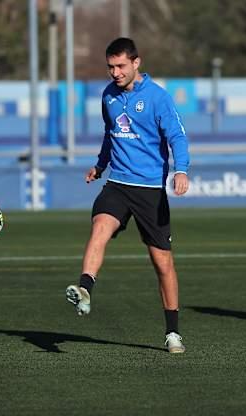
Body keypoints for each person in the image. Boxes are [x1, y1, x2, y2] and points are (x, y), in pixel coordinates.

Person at [65, 37, 190, 353]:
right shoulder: (108, 96)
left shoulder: (158, 98)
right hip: (117, 184)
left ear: (137, 63)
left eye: (121, 66)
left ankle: (173, 332)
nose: (115, 73)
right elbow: (110, 135)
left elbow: (176, 135)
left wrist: (182, 169)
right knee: (99, 228)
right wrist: (99, 165)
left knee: (162, 263)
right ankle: (85, 288)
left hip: (149, 190)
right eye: (110, 67)